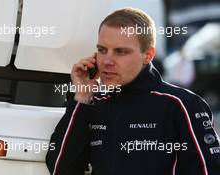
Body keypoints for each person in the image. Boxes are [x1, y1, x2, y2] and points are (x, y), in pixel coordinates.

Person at [46, 7, 220, 175]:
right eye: (102, 50)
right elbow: (60, 170)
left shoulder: (181, 105)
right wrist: (82, 96)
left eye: (121, 52)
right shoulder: (91, 105)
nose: (107, 61)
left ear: (148, 55)